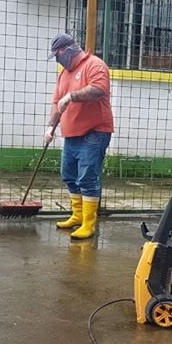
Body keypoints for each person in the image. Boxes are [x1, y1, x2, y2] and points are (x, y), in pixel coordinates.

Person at [45, 33, 114, 240]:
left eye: (57, 55)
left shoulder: (94, 65)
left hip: (95, 131)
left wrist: (72, 96)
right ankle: (77, 215)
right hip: (71, 134)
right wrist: (50, 127)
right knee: (68, 174)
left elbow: (99, 89)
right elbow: (57, 103)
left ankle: (88, 224)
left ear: (66, 51)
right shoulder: (63, 74)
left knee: (87, 178)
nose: (57, 60)